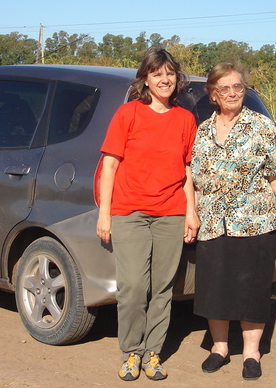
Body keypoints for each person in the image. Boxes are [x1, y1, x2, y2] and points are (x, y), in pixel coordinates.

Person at [96, 47, 200, 381]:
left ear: (176, 78)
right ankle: (131, 353)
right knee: (133, 287)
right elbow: (110, 165)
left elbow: (187, 170)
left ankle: (153, 353)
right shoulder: (128, 114)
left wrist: (191, 213)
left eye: (169, 73)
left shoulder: (185, 119)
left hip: (171, 213)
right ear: (146, 78)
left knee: (162, 289)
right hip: (130, 212)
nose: (164, 79)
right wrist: (105, 214)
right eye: (157, 74)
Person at [191, 62, 276, 381]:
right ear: (213, 94)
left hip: (255, 221)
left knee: (251, 289)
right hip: (213, 222)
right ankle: (220, 348)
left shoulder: (262, 126)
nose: (233, 93)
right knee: (215, 287)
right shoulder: (203, 131)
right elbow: (193, 179)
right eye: (224, 88)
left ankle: (251, 353)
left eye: (238, 87)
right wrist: (191, 214)